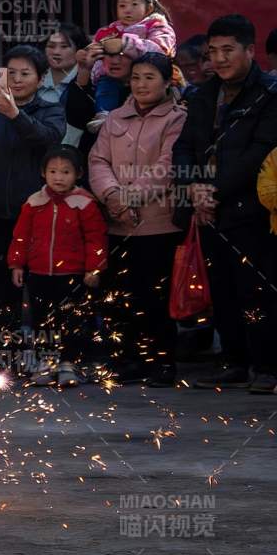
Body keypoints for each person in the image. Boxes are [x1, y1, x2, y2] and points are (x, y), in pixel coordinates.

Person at [173, 14, 277, 393]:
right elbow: (184, 146)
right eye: (213, 51)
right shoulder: (204, 94)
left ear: (250, 50)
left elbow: (259, 153)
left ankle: (266, 366)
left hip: (251, 211)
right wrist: (192, 187)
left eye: (228, 50)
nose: (219, 59)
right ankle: (234, 361)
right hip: (208, 212)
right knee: (222, 289)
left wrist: (211, 190)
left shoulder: (269, 94)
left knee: (257, 290)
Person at [88, 53, 186, 387]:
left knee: (155, 297)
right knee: (121, 296)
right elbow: (98, 161)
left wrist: (130, 197)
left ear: (167, 82)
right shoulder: (115, 117)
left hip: (159, 224)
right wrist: (113, 196)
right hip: (117, 223)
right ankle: (128, 359)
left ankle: (161, 362)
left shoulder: (177, 119)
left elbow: (167, 167)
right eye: (136, 78)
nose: (141, 85)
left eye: (149, 78)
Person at [0, 43, 66, 346]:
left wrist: (15, 114)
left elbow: (48, 140)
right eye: (11, 73)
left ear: (41, 77)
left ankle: (48, 353)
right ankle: (4, 353)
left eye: (25, 73)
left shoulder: (50, 108)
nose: (18, 80)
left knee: (42, 288)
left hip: (38, 216)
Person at [8, 147, 108, 387]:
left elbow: (96, 238)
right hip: (39, 274)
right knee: (41, 320)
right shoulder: (34, 202)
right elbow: (21, 236)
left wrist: (94, 268)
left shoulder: (84, 204)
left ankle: (68, 364)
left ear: (78, 174)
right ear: (43, 173)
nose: (58, 177)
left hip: (72, 275)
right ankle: (46, 362)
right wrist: (16, 264)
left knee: (71, 320)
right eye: (53, 171)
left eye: (65, 172)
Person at [85, 0, 176, 115]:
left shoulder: (157, 26)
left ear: (149, 8)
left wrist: (127, 44)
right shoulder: (109, 30)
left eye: (134, 4)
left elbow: (160, 50)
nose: (127, 10)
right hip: (112, 78)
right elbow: (98, 53)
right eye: (122, 6)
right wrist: (95, 64)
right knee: (104, 86)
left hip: (147, 78)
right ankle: (104, 116)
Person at [41, 21, 89, 146]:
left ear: (79, 50)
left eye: (64, 46)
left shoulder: (90, 83)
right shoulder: (34, 81)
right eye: (51, 46)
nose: (56, 52)